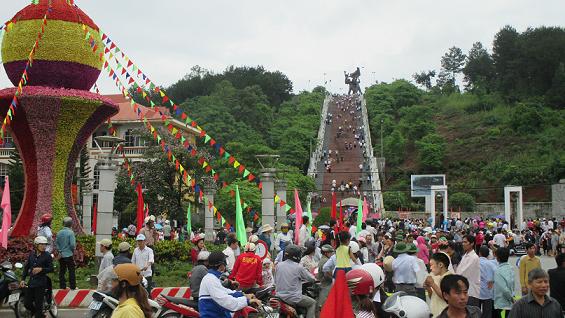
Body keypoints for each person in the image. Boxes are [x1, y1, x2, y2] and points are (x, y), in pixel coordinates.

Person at [199, 252, 261, 318]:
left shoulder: (215, 278)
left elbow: (227, 292)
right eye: (225, 261)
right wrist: (247, 301)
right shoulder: (210, 279)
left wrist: (244, 295)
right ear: (221, 265)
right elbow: (227, 301)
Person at [275, 245, 316, 318]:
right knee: (312, 303)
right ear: (296, 255)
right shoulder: (298, 267)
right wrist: (315, 279)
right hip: (293, 298)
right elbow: (311, 278)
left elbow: (276, 279)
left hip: (279, 297)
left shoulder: (278, 265)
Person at [21, 236, 54, 318]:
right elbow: (26, 267)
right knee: (27, 304)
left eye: (45, 244)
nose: (44, 246)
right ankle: (39, 314)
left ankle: (39, 314)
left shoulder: (47, 256)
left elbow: (51, 268)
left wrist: (41, 269)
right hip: (31, 283)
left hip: (41, 284)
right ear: (36, 245)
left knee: (39, 306)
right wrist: (22, 280)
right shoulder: (31, 254)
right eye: (41, 244)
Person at [455, 235, 481, 307]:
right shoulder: (465, 255)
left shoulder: (474, 258)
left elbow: (463, 273)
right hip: (464, 291)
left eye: (465, 242)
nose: (463, 244)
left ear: (472, 243)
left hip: (471, 292)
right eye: (462, 242)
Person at [424, 252, 452, 317]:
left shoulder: (449, 277)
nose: (430, 268)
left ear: (440, 265)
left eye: (431, 265)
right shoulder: (435, 276)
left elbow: (446, 297)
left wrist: (432, 284)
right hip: (435, 312)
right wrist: (428, 287)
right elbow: (433, 297)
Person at [55, 216, 76, 290]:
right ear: (71, 224)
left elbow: (56, 243)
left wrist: (60, 250)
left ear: (63, 224)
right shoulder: (71, 232)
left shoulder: (59, 232)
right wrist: (72, 251)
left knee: (62, 271)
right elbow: (72, 244)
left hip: (61, 255)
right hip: (69, 254)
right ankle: (73, 286)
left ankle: (62, 286)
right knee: (71, 270)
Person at [493, 247, 514, 318]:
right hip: (509, 302)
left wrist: (510, 298)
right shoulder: (511, 268)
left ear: (497, 258)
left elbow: (503, 288)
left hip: (501, 303)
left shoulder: (498, 271)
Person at [478, 245, 496, 318]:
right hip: (488, 291)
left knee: (476, 312)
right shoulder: (491, 264)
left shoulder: (475, 262)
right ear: (488, 254)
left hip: (477, 291)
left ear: (479, 253)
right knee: (487, 313)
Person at [317, 245, 335, 309]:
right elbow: (327, 274)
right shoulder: (326, 261)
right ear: (326, 253)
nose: (332, 254)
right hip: (326, 285)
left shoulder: (322, 259)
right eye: (330, 252)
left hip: (323, 284)